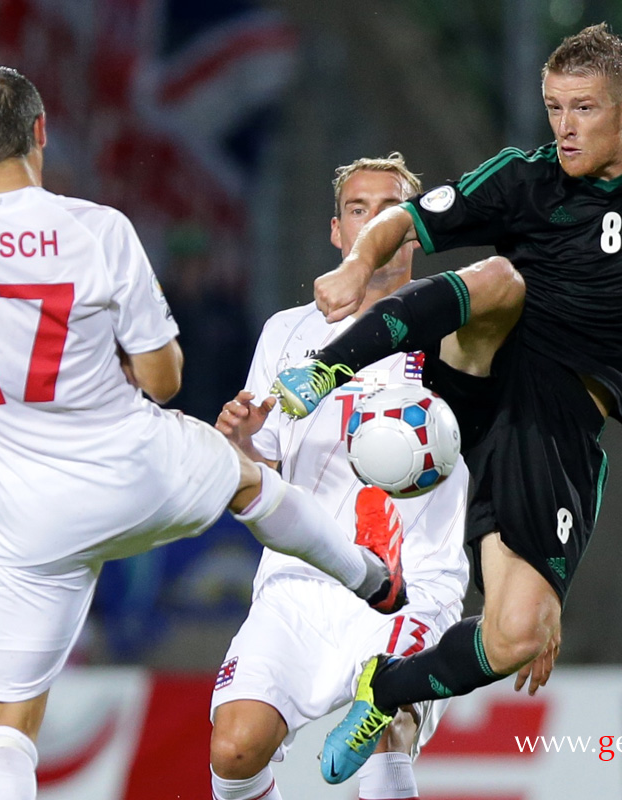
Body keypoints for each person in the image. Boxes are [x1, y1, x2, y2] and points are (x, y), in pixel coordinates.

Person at [271, 23, 622, 783]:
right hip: (483, 369)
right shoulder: (525, 178)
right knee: (501, 281)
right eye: (554, 108)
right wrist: (355, 268)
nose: (564, 128)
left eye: (582, 109)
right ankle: (328, 368)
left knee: (518, 631)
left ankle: (386, 689)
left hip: (557, 423)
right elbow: (404, 220)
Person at [0, 66, 406, 800]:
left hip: (22, 518)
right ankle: (371, 578)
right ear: (41, 132)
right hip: (136, 471)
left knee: (6, 727)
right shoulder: (97, 230)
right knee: (247, 476)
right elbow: (163, 379)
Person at [208, 154, 481, 800]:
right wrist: (243, 444)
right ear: (337, 231)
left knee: (388, 729)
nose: (373, 222)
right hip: (301, 582)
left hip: (414, 582)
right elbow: (262, 478)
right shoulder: (286, 333)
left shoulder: (456, 330)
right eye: (358, 209)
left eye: (391, 209)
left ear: (413, 230)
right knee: (235, 748)